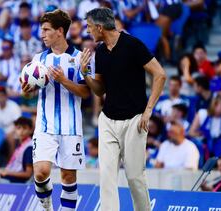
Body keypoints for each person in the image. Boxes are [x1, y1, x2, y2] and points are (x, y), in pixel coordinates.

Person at [81, 8, 166, 211]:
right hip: (108, 120)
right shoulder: (100, 52)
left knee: (135, 176)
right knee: (106, 175)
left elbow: (160, 74)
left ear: (100, 27)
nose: (88, 31)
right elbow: (100, 91)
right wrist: (85, 74)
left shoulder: (133, 45)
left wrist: (148, 111)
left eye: (90, 27)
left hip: (134, 120)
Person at [21, 9, 90, 211]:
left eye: (46, 29)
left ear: (60, 31)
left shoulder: (79, 58)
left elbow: (86, 93)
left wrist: (63, 80)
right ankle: (48, 206)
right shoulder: (38, 59)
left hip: (71, 126)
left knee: (68, 177)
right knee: (41, 173)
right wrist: (26, 92)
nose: (42, 34)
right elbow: (28, 93)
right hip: (44, 126)